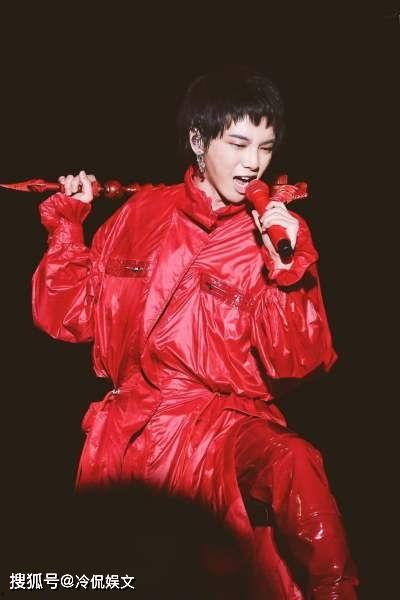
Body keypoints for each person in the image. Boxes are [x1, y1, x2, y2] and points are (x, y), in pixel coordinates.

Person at [32, 66, 359, 599]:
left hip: (225, 425)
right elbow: (68, 317)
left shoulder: (274, 231)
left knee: (294, 462)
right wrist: (69, 228)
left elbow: (297, 360)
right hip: (134, 428)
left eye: (265, 147)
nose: (253, 163)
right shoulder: (140, 213)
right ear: (197, 141)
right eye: (238, 144)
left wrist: (289, 267)